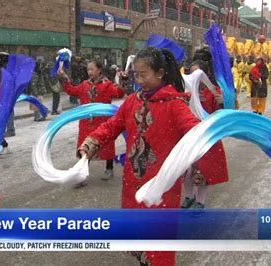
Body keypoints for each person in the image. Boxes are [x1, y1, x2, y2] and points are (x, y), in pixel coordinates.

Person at [78, 47, 203, 266]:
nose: (139, 80)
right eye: (136, 75)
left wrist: (202, 158)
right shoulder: (132, 102)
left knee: (158, 244)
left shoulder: (175, 104)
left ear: (160, 73)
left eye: (144, 75)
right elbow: (112, 126)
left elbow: (196, 133)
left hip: (160, 187)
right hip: (132, 183)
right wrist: (92, 142)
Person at [59, 59, 125, 185]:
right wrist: (64, 79)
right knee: (85, 148)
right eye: (88, 69)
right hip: (86, 124)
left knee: (106, 144)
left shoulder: (107, 85)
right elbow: (72, 90)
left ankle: (109, 168)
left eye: (92, 69)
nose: (89, 72)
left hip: (102, 122)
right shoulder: (84, 85)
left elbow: (118, 93)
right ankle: (81, 175)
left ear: (99, 70)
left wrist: (122, 82)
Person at [180, 55, 229, 210]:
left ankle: (200, 201)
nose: (195, 77)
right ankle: (189, 196)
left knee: (203, 171)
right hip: (189, 134)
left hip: (208, 136)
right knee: (186, 170)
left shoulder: (214, 92)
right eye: (192, 73)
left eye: (198, 73)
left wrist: (223, 102)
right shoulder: (185, 91)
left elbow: (223, 115)